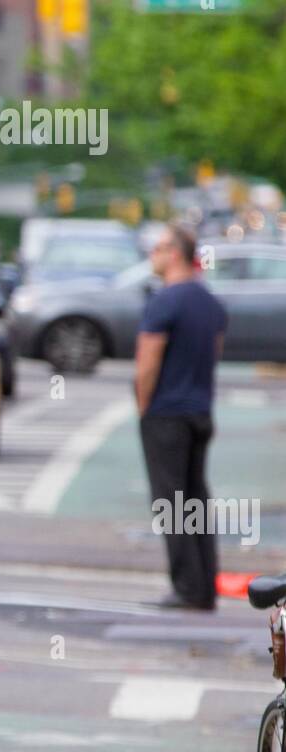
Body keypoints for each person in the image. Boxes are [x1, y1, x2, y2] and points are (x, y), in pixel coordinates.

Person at [134, 222, 228, 611]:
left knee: (171, 503)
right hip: (200, 411)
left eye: (157, 249)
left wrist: (144, 408)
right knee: (195, 500)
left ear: (175, 253)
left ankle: (187, 588)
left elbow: (147, 364)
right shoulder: (211, 304)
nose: (152, 256)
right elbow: (214, 354)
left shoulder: (164, 302)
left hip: (166, 413)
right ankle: (205, 584)